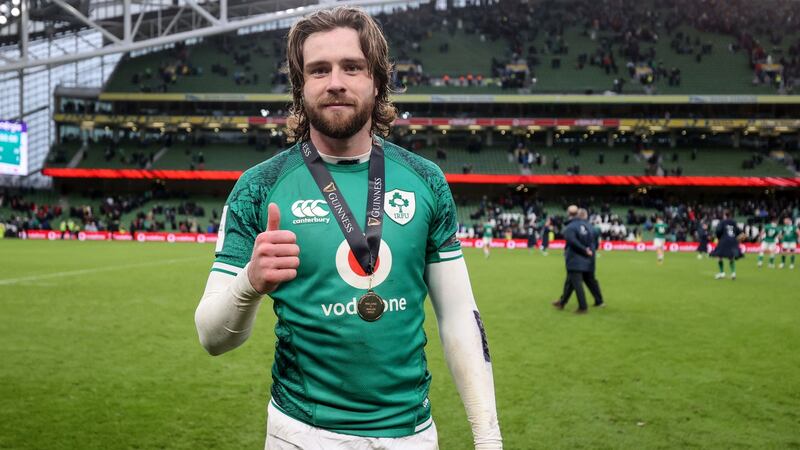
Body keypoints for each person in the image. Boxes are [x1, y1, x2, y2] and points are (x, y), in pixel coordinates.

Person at [194, 7, 502, 450]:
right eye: (319, 70)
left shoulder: (426, 180)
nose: (335, 81)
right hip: (300, 433)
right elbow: (211, 338)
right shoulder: (258, 187)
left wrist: (488, 439)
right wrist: (250, 282)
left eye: (352, 67)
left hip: (412, 435)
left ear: (377, 81)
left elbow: (458, 315)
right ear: (300, 86)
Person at [552, 205, 603, 313]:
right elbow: (596, 243)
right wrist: (590, 251)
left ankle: (583, 307)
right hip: (589, 259)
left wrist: (584, 250)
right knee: (571, 282)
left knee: (576, 283)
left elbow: (572, 241)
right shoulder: (590, 227)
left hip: (575, 259)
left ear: (568, 213)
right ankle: (562, 302)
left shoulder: (570, 227)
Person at [711, 210, 744, 280]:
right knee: (731, 257)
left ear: (724, 215)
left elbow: (718, 231)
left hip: (724, 240)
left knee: (719, 256)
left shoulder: (722, 222)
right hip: (733, 241)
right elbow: (739, 232)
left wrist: (719, 237)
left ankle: (722, 273)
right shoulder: (733, 222)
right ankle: (733, 273)